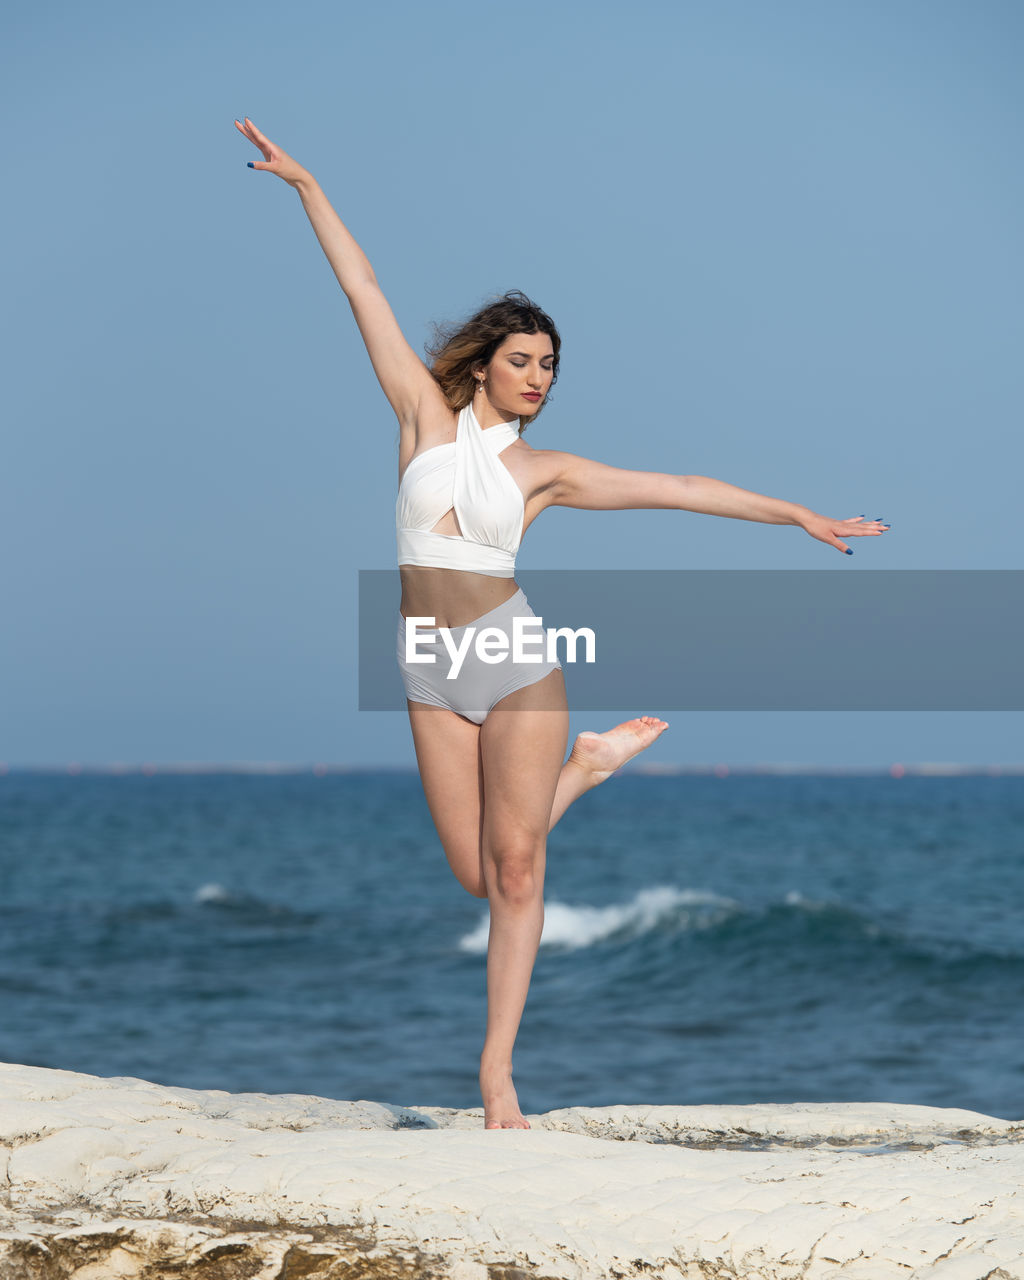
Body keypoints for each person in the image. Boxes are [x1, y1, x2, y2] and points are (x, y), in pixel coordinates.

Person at [235, 117, 889, 1129]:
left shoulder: (544, 473)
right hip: (425, 664)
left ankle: (496, 1073)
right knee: (469, 871)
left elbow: (675, 485)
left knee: (516, 867)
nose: (540, 375)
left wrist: (794, 512)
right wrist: (308, 185)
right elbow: (362, 290)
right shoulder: (418, 414)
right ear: (485, 363)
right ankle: (584, 768)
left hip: (511, 660)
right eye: (525, 358)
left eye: (551, 363)